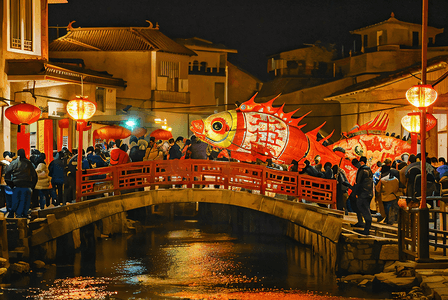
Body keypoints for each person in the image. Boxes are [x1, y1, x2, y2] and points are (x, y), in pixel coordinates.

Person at [5, 149, 38, 218]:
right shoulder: (29, 163)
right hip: (27, 186)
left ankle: (15, 216)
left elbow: (7, 174)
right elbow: (34, 176)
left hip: (17, 186)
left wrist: (11, 184)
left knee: (16, 203)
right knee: (25, 204)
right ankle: (23, 217)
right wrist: (32, 186)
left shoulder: (14, 163)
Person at [351, 156, 373, 235]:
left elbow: (359, 182)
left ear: (362, 162)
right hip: (369, 193)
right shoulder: (369, 170)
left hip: (364, 193)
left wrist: (355, 192)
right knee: (365, 208)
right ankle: (365, 227)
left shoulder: (362, 170)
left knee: (363, 208)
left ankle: (366, 229)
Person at [0, 151, 14, 215]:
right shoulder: (7, 164)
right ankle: (7, 208)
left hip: (1, 181)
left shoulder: (2, 163)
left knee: (2, 195)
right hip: (6, 181)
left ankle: (2, 206)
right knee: (7, 195)